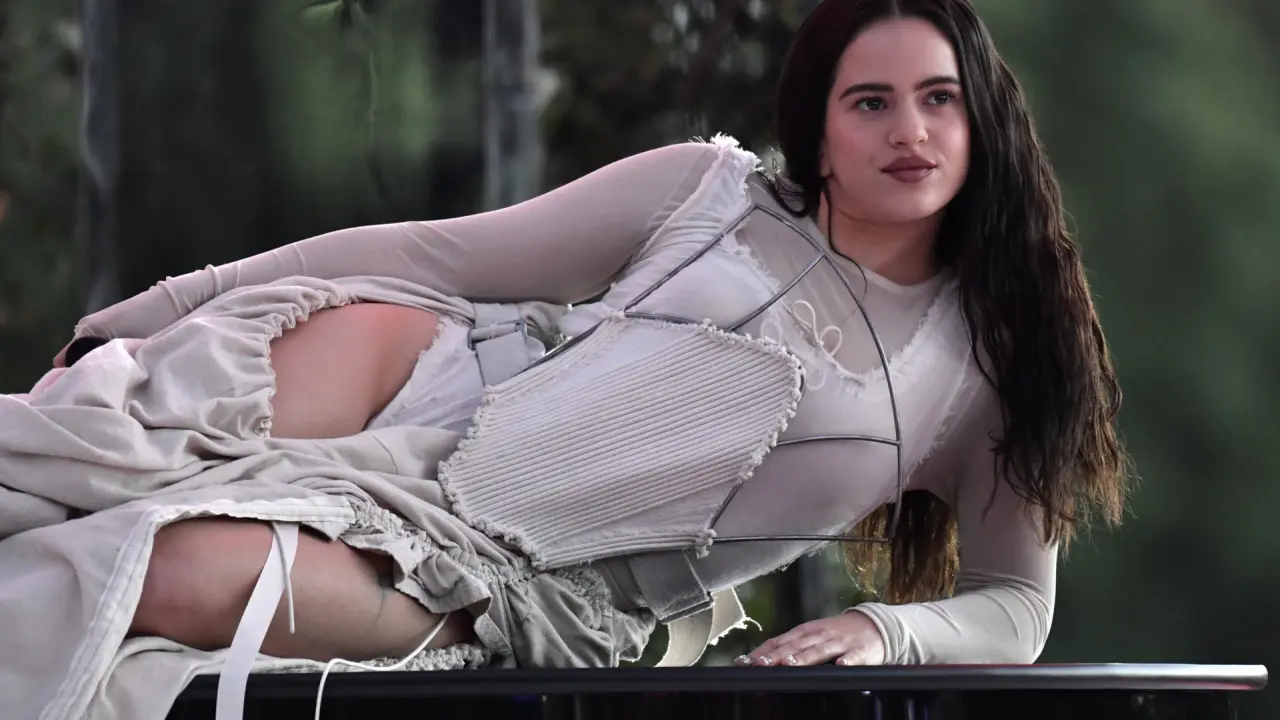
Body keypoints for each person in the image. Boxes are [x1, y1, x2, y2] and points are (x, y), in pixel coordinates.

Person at [3, 0, 1129, 716]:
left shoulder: (983, 372)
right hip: (433, 376)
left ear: (981, 123)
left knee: (173, 574)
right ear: (820, 129)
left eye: (938, 100)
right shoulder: (710, 192)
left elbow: (1012, 606)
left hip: (525, 583)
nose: (908, 132)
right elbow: (440, 254)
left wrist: (884, 629)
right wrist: (166, 303)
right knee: (77, 447)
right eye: (869, 102)